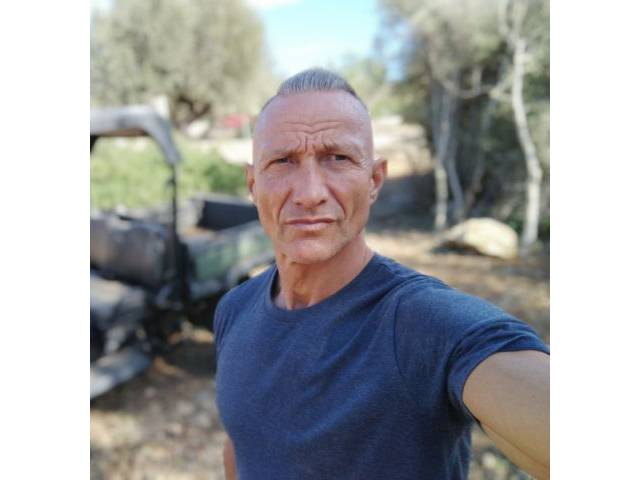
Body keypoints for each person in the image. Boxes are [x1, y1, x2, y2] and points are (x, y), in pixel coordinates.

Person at [213, 68, 549, 480]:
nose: (310, 193)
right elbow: (241, 446)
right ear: (252, 184)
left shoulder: (424, 325)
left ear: (374, 180)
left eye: (337, 158)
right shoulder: (235, 309)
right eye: (283, 161)